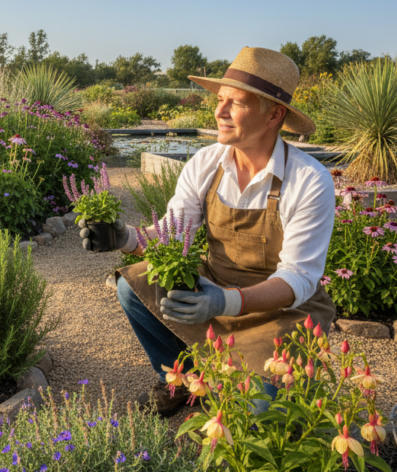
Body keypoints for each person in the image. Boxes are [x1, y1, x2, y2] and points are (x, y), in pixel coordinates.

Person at [81, 47, 336, 414]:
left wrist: (224, 301)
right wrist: (125, 238)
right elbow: (172, 234)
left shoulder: (308, 179)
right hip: (213, 286)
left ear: (274, 114)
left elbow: (298, 279)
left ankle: (242, 385)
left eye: (237, 103)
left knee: (255, 411)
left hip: (282, 313)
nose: (219, 112)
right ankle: (180, 380)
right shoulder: (206, 162)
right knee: (132, 286)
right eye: (220, 100)